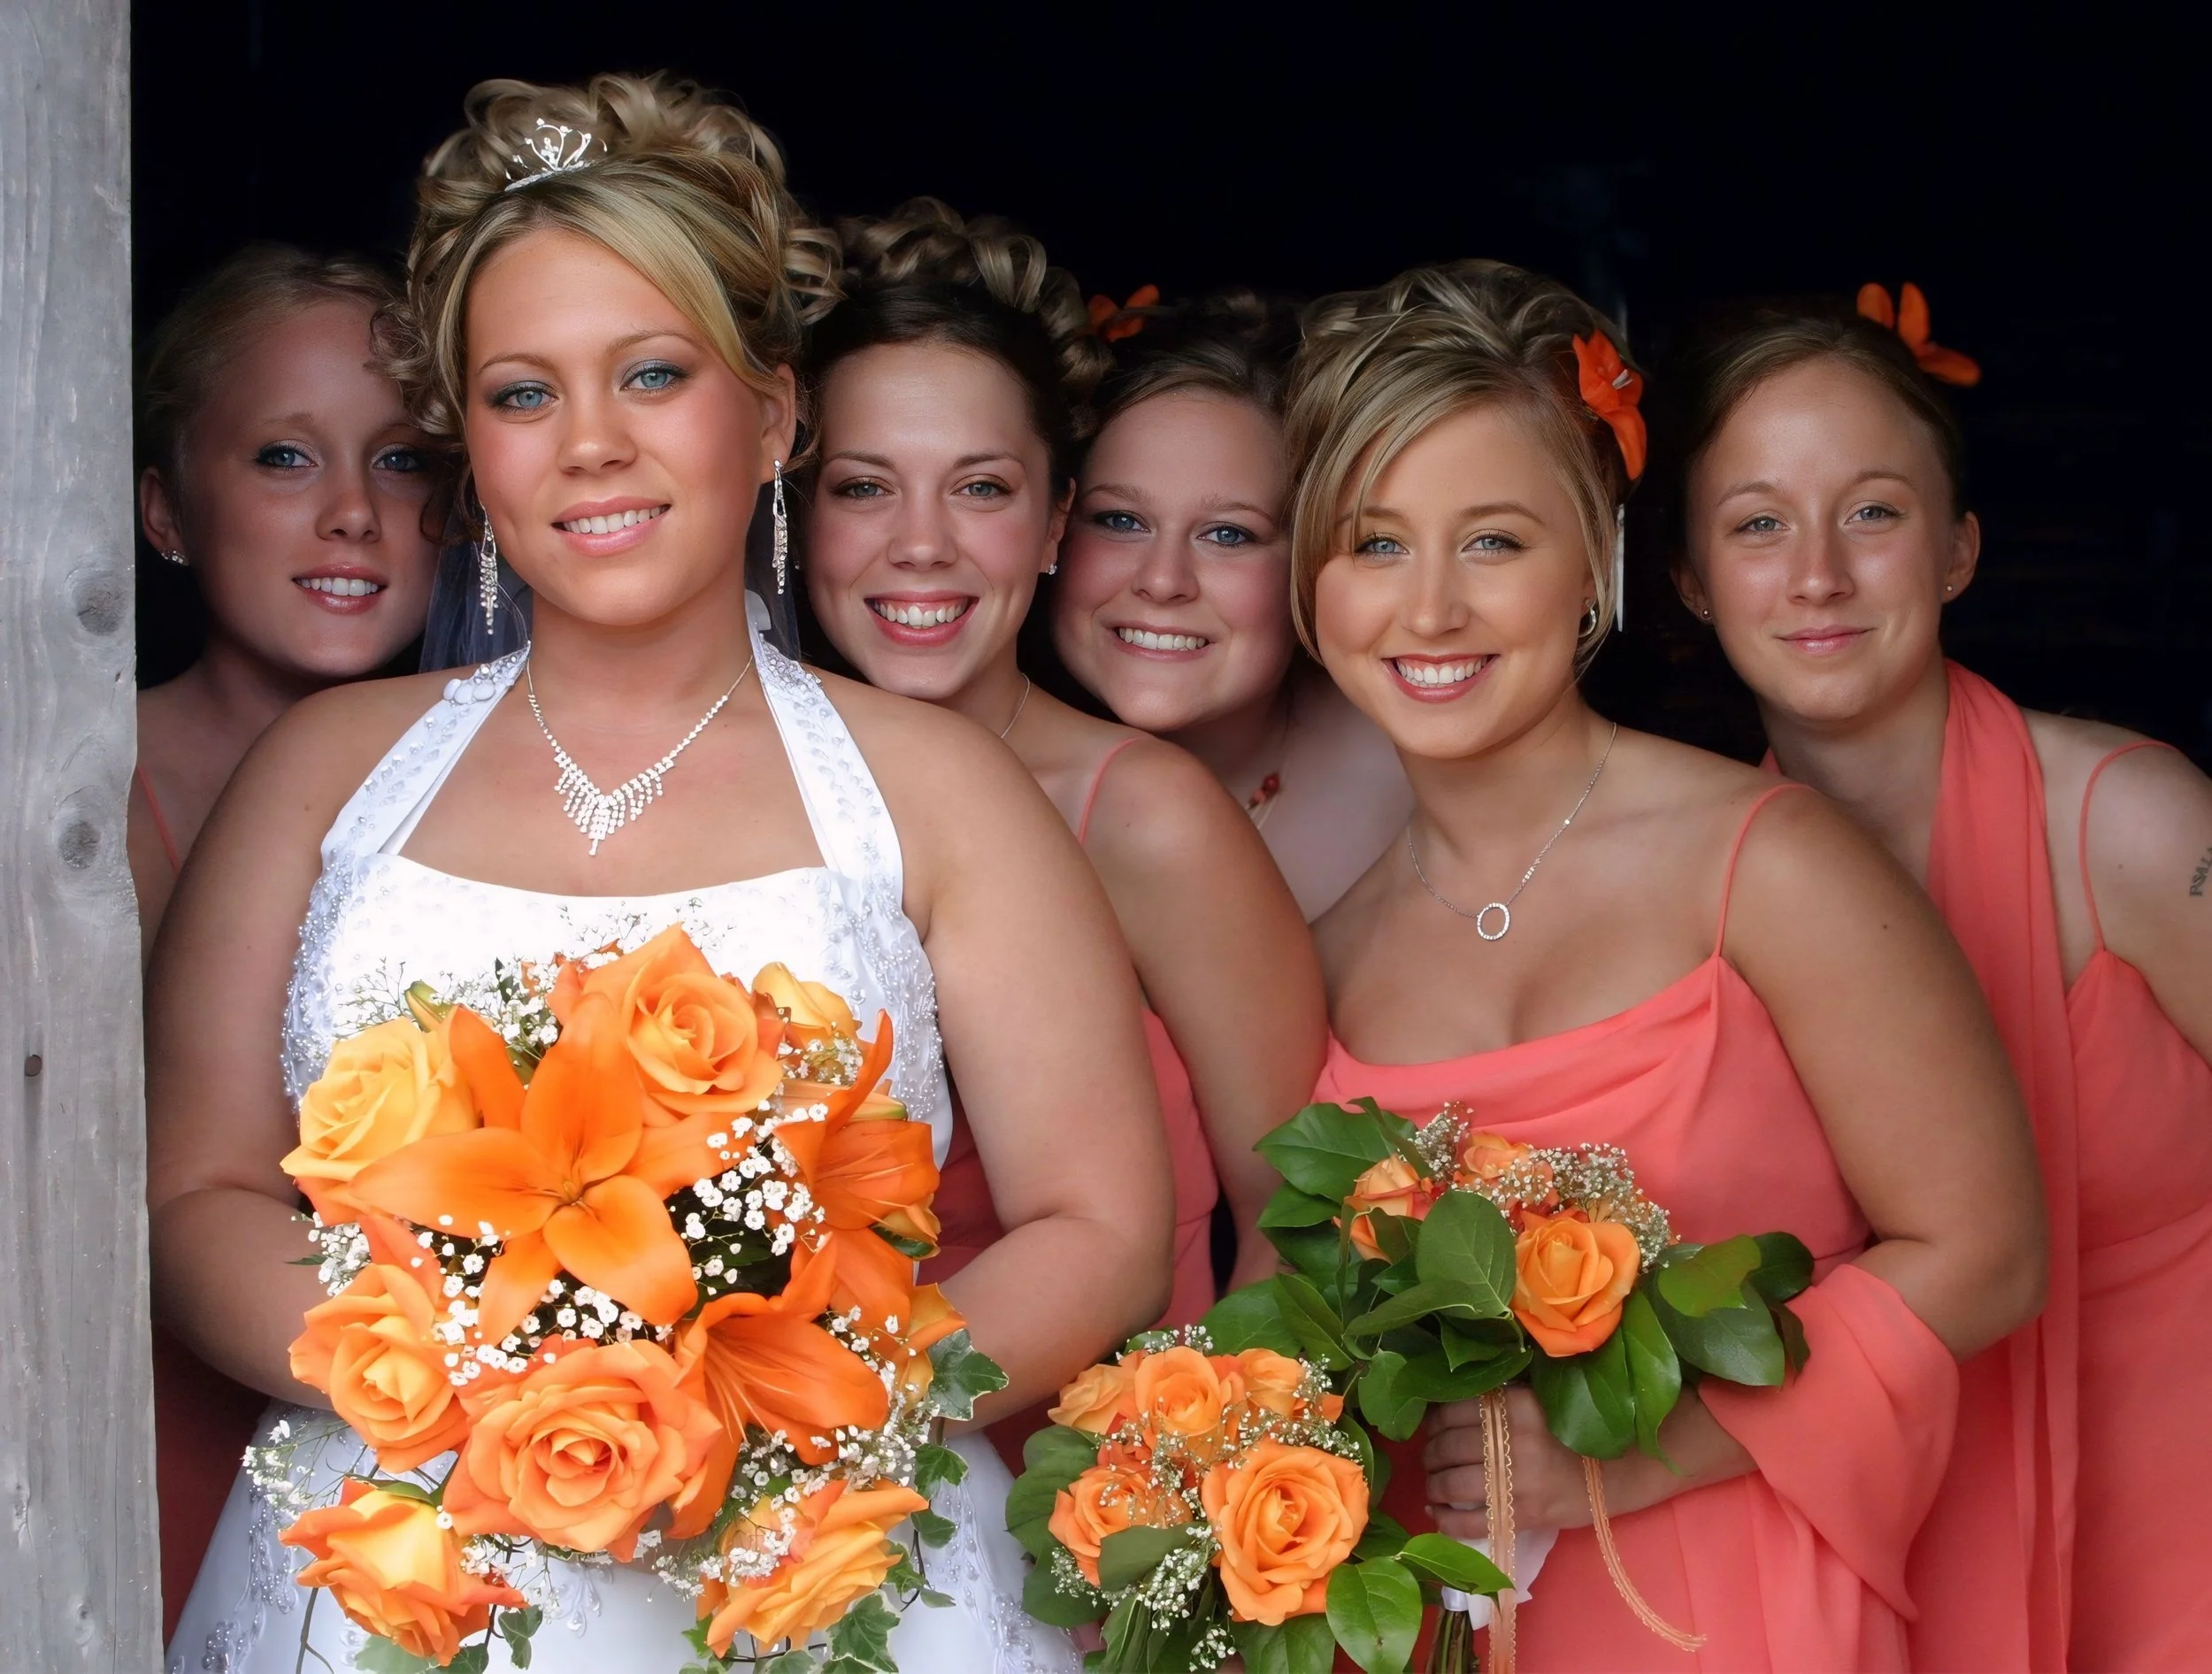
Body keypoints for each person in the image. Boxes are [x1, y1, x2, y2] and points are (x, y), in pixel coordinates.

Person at [150, 73, 1170, 1672]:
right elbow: (190, 1192)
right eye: (523, 392)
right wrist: (475, 1378)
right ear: (470, 440)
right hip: (396, 1564)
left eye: (650, 374)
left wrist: (770, 1396)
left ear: (769, 414)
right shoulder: (326, 772)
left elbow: (1100, 1217)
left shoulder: (934, 789)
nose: (594, 445)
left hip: (817, 1565)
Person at [1294, 260, 2045, 1668]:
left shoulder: (1764, 860)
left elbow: (1987, 1251)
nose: (1431, 609)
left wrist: (1651, 1453)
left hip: (1747, 1598)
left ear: (1598, 562)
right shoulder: (1326, 952)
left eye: (1496, 543)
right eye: (1376, 544)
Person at [1672, 288, 2212, 1672]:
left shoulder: (2133, 825)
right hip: (1894, 1534)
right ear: (1686, 581)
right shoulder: (1691, 894)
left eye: (1872, 513)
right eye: (1755, 525)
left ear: (1959, 549)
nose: (1817, 577)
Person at [799, 202, 1323, 1332]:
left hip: (1083, 1472)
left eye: (980, 487)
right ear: (795, 513)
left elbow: (1303, 1213)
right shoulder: (725, 794)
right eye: (862, 485)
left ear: (1052, 524)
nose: (922, 542)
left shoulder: (1145, 816)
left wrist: (1188, 1471)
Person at [130, 243, 442, 1636]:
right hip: (132, 1428)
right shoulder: (62, 812)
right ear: (165, 510)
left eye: (402, 462)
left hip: (470, 1472)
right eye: (282, 460)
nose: (354, 519)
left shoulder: (537, 787)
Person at [1048, 291, 1410, 919]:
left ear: (1312, 560)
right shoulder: (975, 787)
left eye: (1228, 534)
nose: (1163, 581)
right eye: (1120, 520)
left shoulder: (1416, 788)